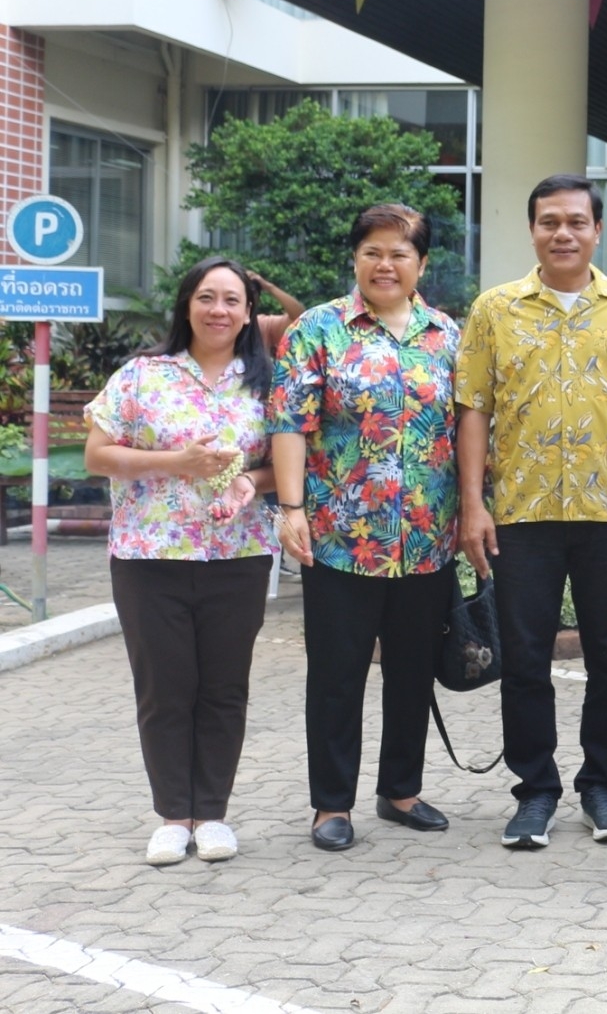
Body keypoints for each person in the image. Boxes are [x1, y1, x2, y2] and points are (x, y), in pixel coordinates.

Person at [455, 174, 607, 850]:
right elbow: (473, 409)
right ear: (532, 231)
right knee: (524, 659)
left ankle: (602, 787)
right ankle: (536, 791)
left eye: (577, 221)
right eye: (550, 221)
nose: (563, 233)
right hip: (523, 512)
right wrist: (473, 504)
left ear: (597, 230)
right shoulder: (495, 310)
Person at [270, 204, 464, 853]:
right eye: (373, 252)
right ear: (355, 258)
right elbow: (290, 422)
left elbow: (464, 426)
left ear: (421, 264)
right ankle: (332, 803)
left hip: (426, 537)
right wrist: (291, 508)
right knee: (337, 673)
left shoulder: (446, 334)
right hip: (338, 537)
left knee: (412, 670)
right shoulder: (318, 329)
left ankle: (400, 791)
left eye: (399, 253)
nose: (386, 264)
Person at [83, 257, 277, 866]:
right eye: (206, 297)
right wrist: (175, 463)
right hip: (149, 555)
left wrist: (250, 481)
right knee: (165, 689)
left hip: (239, 554)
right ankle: (173, 816)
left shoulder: (268, 381)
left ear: (248, 312)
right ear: (187, 305)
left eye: (232, 300)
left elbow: (287, 465)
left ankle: (212, 814)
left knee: (224, 689)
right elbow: (96, 454)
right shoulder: (143, 375)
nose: (219, 310)